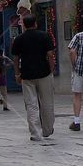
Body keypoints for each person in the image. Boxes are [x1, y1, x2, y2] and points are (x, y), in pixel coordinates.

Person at [11, 14, 56, 142]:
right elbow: (50, 54)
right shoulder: (44, 36)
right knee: (47, 102)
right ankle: (47, 129)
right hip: (44, 73)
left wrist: (17, 74)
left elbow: (15, 58)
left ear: (24, 25)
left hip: (27, 75)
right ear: (35, 24)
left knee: (31, 104)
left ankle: (35, 133)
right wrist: (51, 69)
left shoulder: (19, 39)